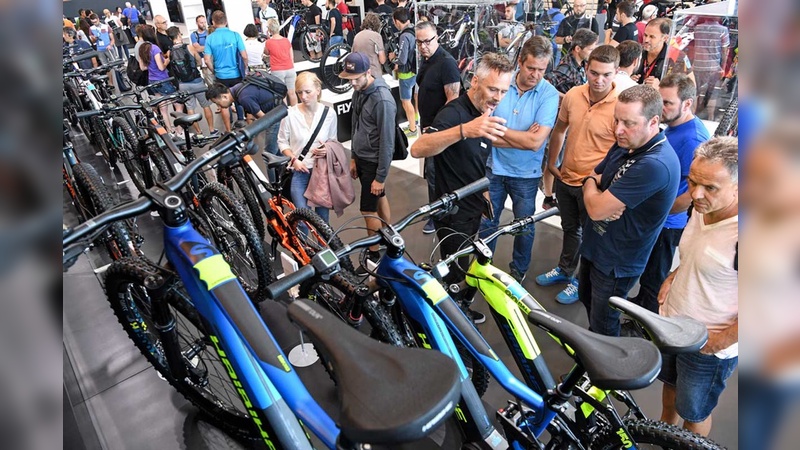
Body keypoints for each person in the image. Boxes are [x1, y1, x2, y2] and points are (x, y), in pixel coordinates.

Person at [411, 53, 515, 324]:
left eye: (503, 91)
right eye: (493, 89)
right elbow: (419, 147)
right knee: (455, 269)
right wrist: (464, 131)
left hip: (471, 205)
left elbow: (472, 157)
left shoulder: (484, 111)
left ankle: (457, 309)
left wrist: (482, 192)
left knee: (466, 262)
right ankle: (456, 321)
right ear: (475, 81)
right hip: (452, 210)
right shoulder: (454, 113)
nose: (498, 97)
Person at [578, 85, 680, 337]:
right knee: (588, 304)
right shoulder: (627, 142)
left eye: (629, 123)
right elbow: (593, 176)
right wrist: (595, 187)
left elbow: (595, 208)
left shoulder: (655, 164)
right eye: (617, 120)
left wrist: (597, 194)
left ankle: (603, 372)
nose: (618, 130)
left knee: (604, 324)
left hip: (617, 261)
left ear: (653, 121)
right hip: (596, 245)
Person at [658, 137, 738, 437]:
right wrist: (674, 275)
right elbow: (699, 254)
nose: (696, 194)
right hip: (673, 325)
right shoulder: (701, 208)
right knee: (670, 391)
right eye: (692, 182)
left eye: (710, 188)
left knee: (694, 412)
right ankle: (663, 435)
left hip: (707, 344)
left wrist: (717, 343)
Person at [535, 45, 620, 305]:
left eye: (606, 74)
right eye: (594, 73)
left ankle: (580, 282)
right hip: (566, 177)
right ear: (586, 68)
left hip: (594, 186)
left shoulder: (622, 106)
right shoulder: (573, 95)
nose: (599, 80)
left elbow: (623, 150)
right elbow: (559, 129)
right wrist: (552, 163)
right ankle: (564, 269)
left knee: (593, 239)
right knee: (570, 229)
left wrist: (608, 186)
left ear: (616, 72)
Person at [622, 74, 711, 319]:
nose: (661, 108)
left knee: (654, 277)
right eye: (660, 101)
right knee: (648, 270)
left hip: (668, 223)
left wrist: (660, 210)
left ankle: (646, 325)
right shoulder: (673, 127)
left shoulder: (693, 138)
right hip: (658, 219)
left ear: (688, 104)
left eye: (668, 103)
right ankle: (640, 306)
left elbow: (692, 193)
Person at [478, 37, 560, 283]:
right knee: (487, 222)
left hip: (527, 174)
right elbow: (484, 130)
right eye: (531, 68)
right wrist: (522, 136)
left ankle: (518, 269)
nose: (536, 75)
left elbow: (535, 143)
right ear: (520, 63)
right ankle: (483, 266)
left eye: (541, 70)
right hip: (493, 169)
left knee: (524, 226)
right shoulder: (501, 85)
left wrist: (499, 132)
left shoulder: (548, 94)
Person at [339, 52, 396, 267]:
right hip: (362, 157)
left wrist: (380, 176)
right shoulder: (359, 92)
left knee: (367, 209)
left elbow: (387, 142)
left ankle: (373, 252)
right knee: (379, 197)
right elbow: (355, 125)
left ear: (368, 72)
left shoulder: (383, 100)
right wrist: (353, 157)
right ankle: (388, 236)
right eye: (349, 78)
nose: (352, 83)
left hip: (374, 161)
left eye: (356, 78)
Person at [415, 19, 462, 235]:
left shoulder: (447, 63)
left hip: (439, 133)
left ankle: (439, 216)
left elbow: (452, 101)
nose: (423, 46)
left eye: (427, 41)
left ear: (437, 38)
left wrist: (436, 130)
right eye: (419, 42)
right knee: (431, 175)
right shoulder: (427, 60)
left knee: (437, 175)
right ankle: (437, 211)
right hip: (427, 129)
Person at [278, 72, 339, 222]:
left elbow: (333, 140)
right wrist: (294, 160)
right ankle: (306, 245)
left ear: (318, 90)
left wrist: (327, 149)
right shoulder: (290, 115)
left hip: (321, 171)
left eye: (307, 92)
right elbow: (282, 142)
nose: (303, 97)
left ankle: (324, 246)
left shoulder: (329, 114)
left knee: (322, 220)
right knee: (303, 219)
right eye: (299, 93)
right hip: (299, 172)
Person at [205, 80, 281, 166]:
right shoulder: (236, 89)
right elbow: (251, 114)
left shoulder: (243, 98)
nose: (219, 106)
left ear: (224, 96)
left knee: (269, 155)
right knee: (275, 148)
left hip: (275, 114)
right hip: (275, 107)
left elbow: (266, 120)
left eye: (217, 103)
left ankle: (274, 179)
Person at [167, 27, 217, 138]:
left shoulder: (169, 51)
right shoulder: (189, 47)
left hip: (183, 84)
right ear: (179, 35)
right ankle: (212, 130)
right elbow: (199, 61)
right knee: (206, 106)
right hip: (197, 81)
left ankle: (198, 132)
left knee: (190, 108)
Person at [204, 10, 248, 132]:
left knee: (223, 101)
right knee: (238, 97)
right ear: (226, 21)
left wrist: (213, 71)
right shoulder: (235, 35)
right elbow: (244, 56)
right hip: (236, 74)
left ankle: (228, 129)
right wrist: (245, 68)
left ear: (213, 22)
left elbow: (207, 60)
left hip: (220, 76)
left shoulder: (210, 38)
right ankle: (241, 120)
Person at [139, 25, 184, 136]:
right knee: (178, 104)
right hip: (162, 79)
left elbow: (143, 68)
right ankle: (179, 130)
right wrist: (168, 59)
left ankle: (169, 130)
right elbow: (161, 67)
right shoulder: (155, 48)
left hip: (151, 81)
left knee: (163, 107)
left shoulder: (142, 48)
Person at [635, 18, 693, 88]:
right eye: (645, 35)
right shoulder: (638, 52)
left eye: (652, 37)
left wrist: (660, 87)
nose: (646, 40)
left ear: (665, 38)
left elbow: (691, 86)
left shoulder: (677, 56)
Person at [691, 17, 730, 116]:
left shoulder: (698, 28)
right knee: (712, 94)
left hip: (698, 65)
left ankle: (694, 115)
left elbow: (695, 46)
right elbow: (725, 51)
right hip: (713, 66)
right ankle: (710, 117)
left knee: (696, 92)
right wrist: (723, 68)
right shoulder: (723, 30)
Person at [546, 28, 598, 96]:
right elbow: (545, 85)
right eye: (590, 50)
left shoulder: (582, 61)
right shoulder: (566, 68)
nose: (593, 53)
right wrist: (566, 98)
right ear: (578, 49)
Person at [392, 8, 417, 137]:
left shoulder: (404, 36)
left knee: (406, 101)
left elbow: (402, 59)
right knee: (413, 99)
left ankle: (412, 129)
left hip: (406, 73)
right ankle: (415, 122)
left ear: (396, 21)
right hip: (415, 71)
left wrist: (392, 58)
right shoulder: (415, 30)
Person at [264, 19, 297, 106]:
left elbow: (266, 53)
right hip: (290, 68)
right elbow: (291, 56)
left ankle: (285, 114)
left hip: (277, 70)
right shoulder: (286, 40)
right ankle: (295, 112)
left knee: (282, 95)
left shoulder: (269, 42)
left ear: (269, 29)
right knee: (292, 93)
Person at [352, 13, 386, 79]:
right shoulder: (376, 36)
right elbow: (382, 60)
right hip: (373, 74)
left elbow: (353, 54)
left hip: (360, 74)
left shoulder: (357, 36)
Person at [89, 13, 116, 87]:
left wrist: (110, 45)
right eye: (93, 22)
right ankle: (110, 83)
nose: (94, 23)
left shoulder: (106, 26)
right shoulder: (91, 29)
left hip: (108, 48)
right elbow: (93, 41)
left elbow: (113, 39)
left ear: (98, 19)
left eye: (95, 21)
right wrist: (94, 39)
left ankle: (121, 82)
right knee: (106, 67)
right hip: (100, 50)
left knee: (115, 65)